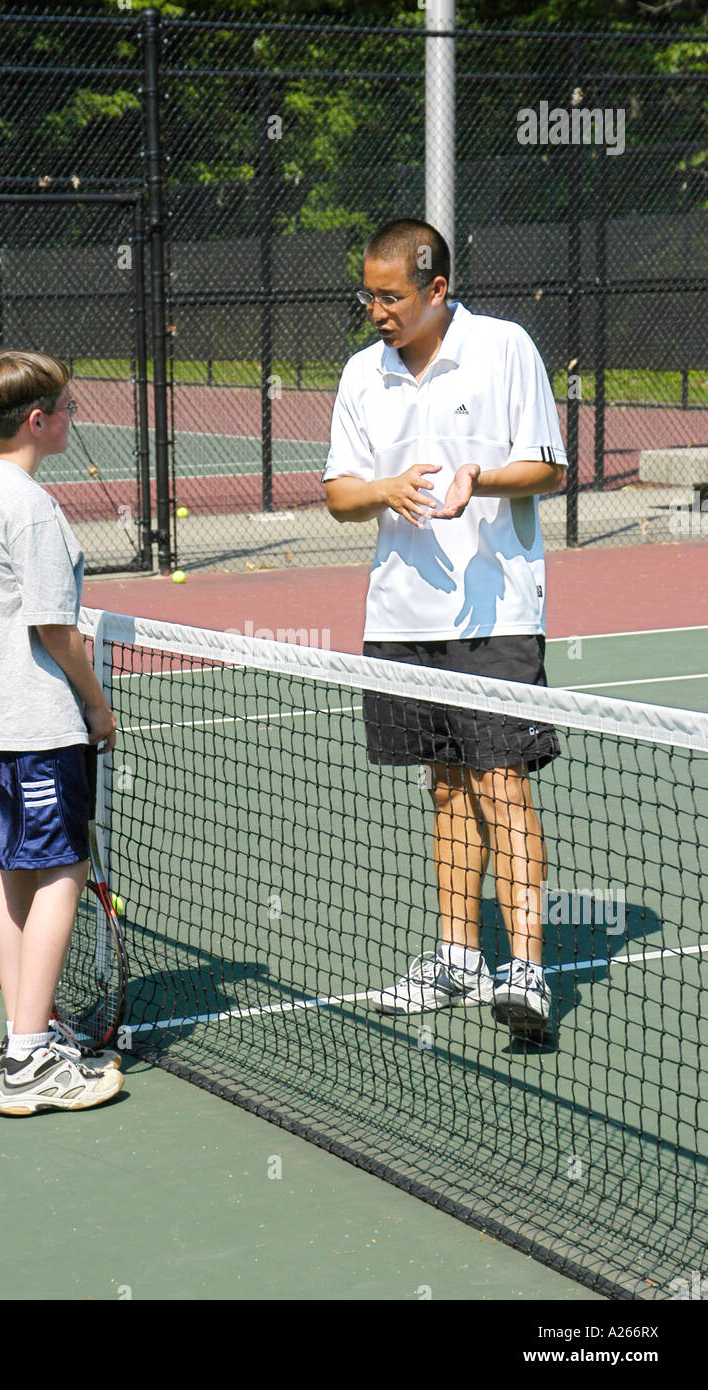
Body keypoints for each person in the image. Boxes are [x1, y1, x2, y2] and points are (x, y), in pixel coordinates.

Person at [323, 218, 567, 1038]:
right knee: (445, 785)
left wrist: (481, 478)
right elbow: (337, 493)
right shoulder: (362, 374)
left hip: (495, 610)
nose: (376, 310)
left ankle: (527, 972)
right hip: (401, 614)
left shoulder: (505, 349)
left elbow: (549, 467)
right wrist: (384, 489)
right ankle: (459, 959)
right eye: (369, 295)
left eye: (391, 296)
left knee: (504, 782)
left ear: (437, 289)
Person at [0, 350, 124, 1114]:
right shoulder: (29, 504)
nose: (74, 417)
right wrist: (97, 706)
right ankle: (26, 1062)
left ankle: (30, 1026)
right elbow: (55, 626)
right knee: (63, 872)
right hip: (36, 724)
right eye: (67, 407)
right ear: (37, 420)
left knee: (16, 872)